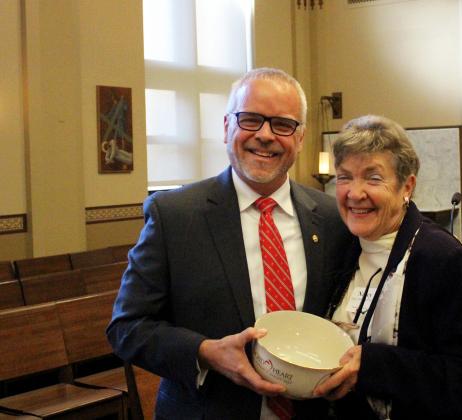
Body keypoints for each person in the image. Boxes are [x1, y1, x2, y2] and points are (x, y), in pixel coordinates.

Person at [107, 68, 355, 419]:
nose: (265, 135)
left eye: (282, 125)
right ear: (227, 127)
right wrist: (206, 351)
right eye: (251, 119)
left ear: (300, 138)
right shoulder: (175, 216)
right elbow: (127, 328)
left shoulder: (333, 218)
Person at [313, 115, 462, 419]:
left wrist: (374, 366)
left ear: (407, 186)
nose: (355, 193)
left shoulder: (444, 260)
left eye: (373, 178)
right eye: (345, 177)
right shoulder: (342, 248)